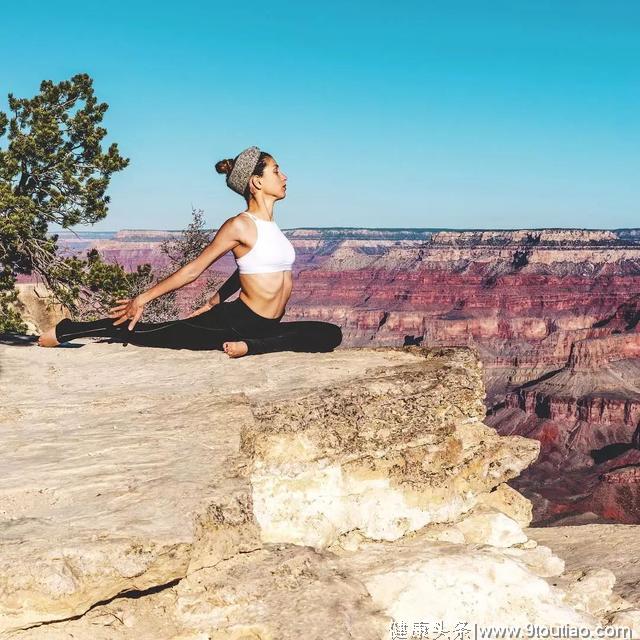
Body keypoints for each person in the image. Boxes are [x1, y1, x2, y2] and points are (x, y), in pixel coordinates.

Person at [37, 146, 343, 358]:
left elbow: (248, 271)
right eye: (277, 171)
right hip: (236, 322)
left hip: (266, 324)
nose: (285, 176)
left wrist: (214, 298)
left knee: (330, 334)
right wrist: (142, 299)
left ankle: (252, 346)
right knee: (149, 333)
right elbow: (194, 269)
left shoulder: (272, 226)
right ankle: (70, 330)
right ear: (257, 181)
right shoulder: (239, 225)